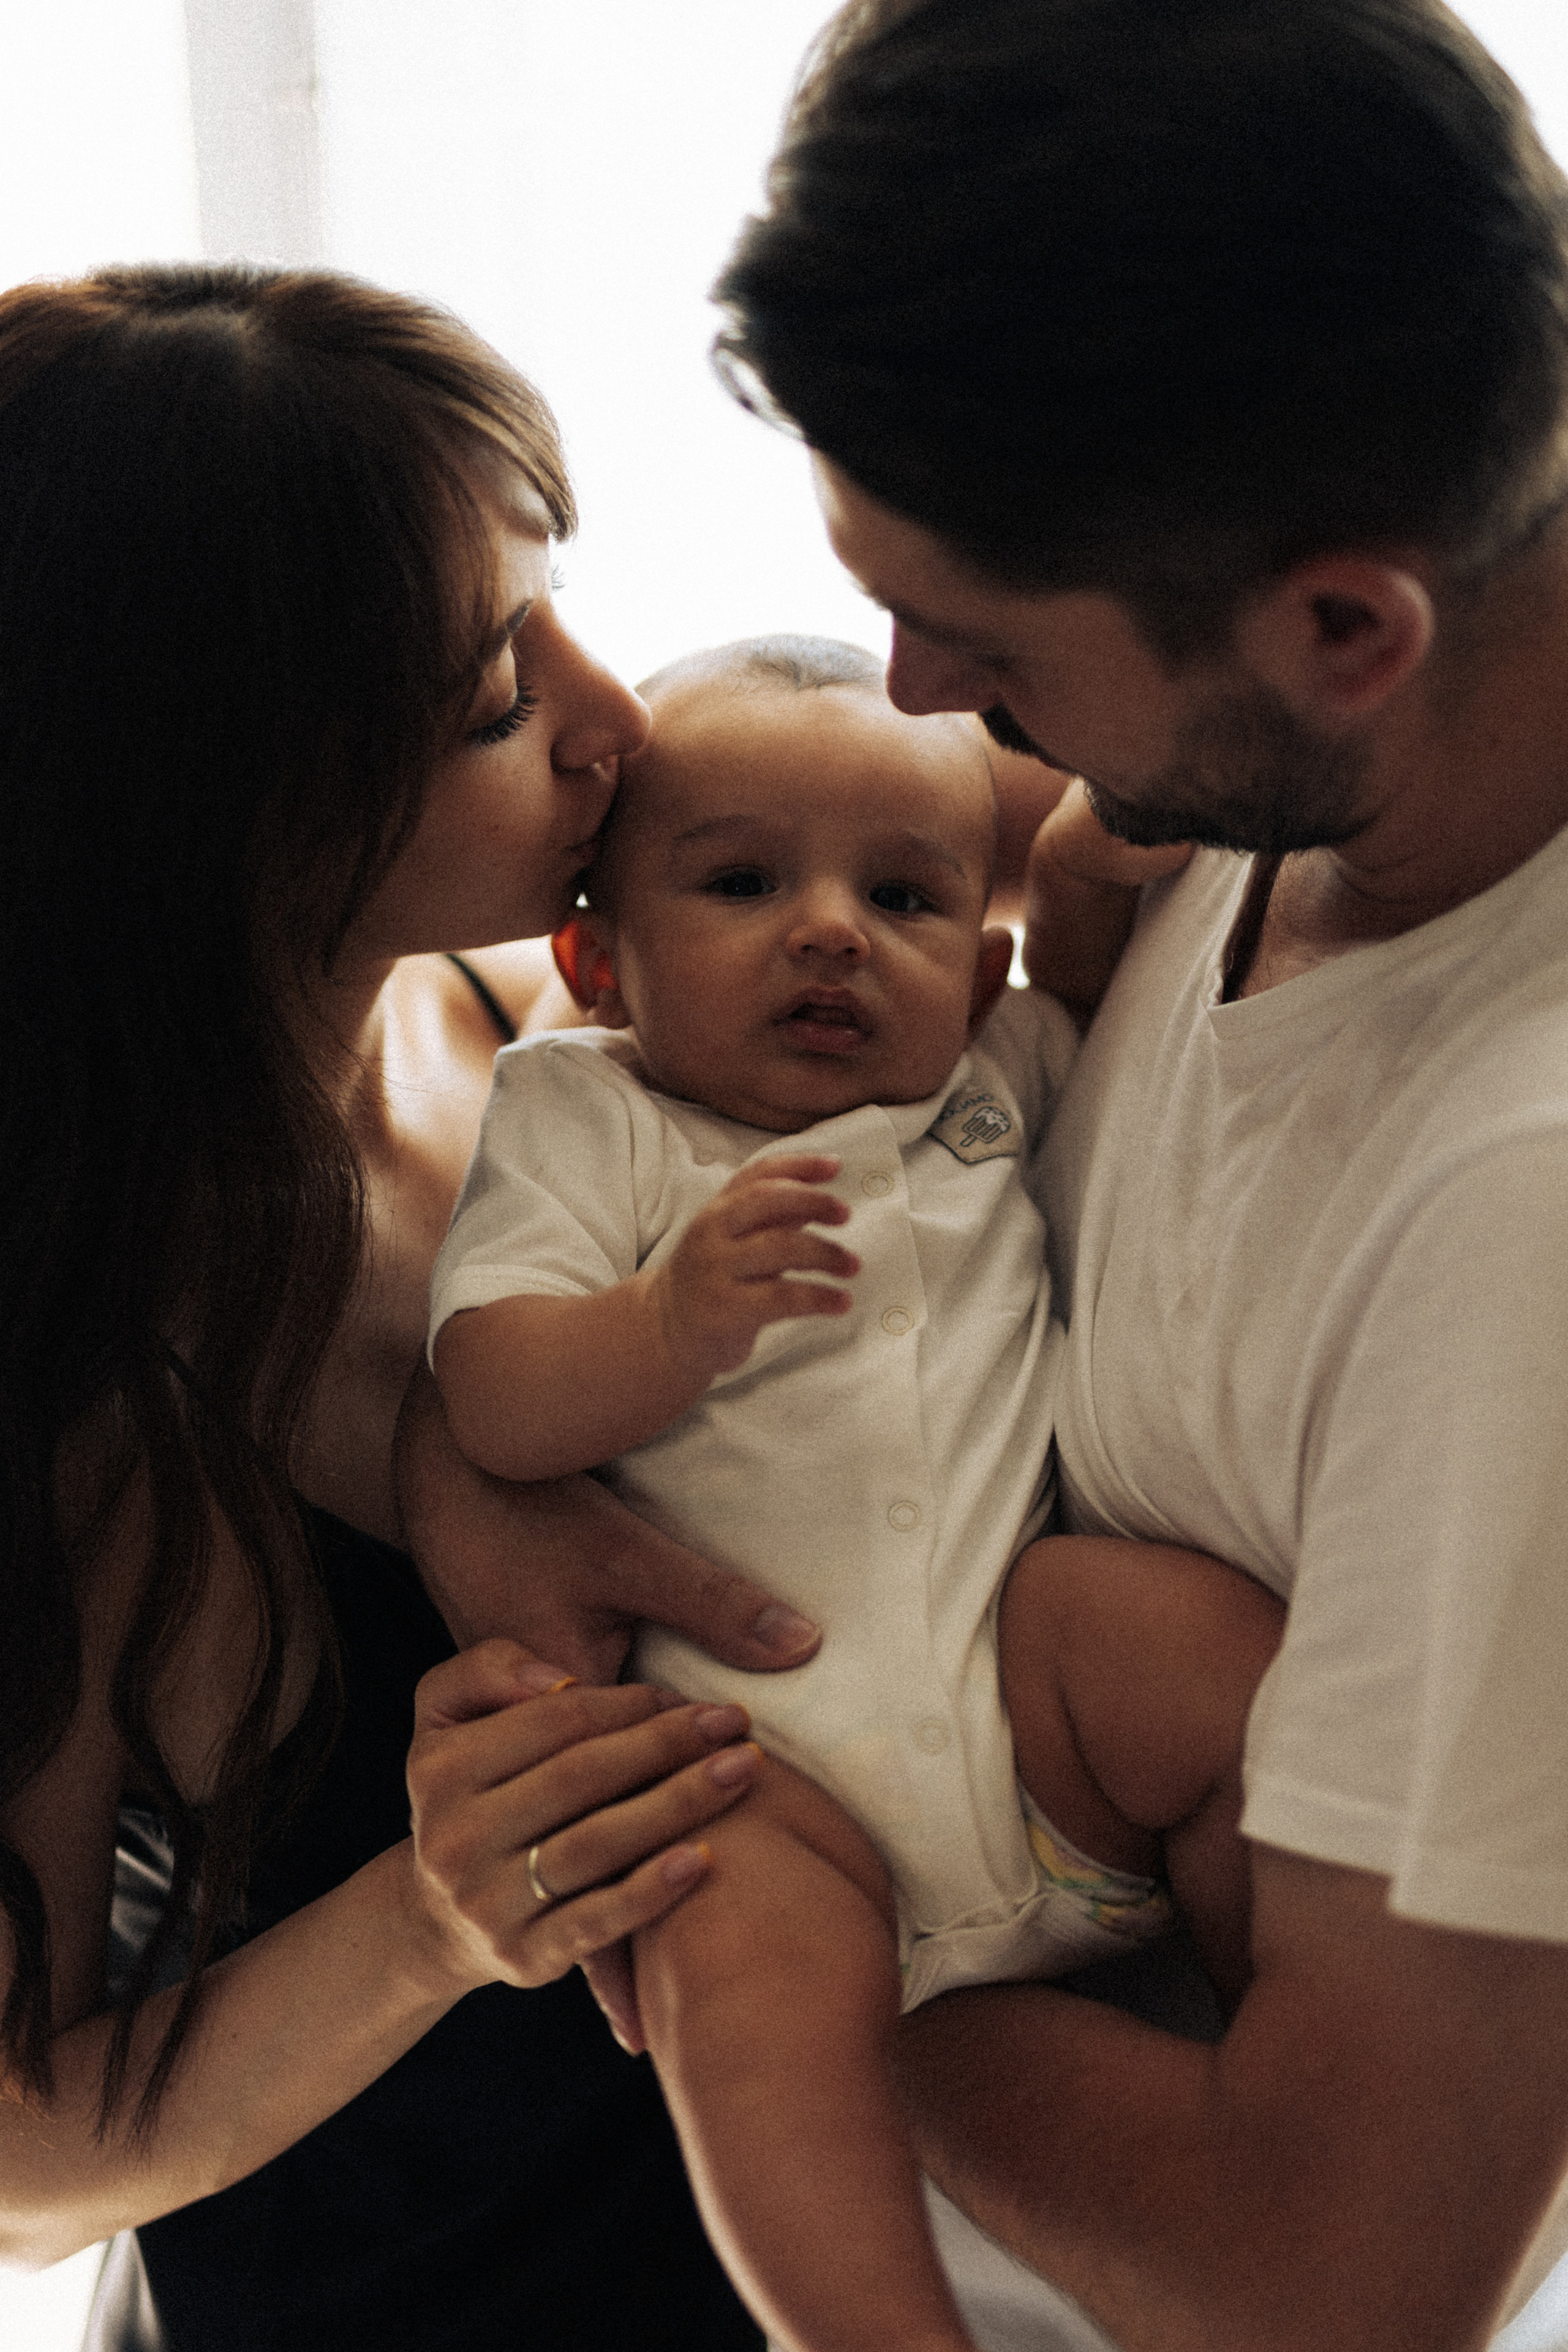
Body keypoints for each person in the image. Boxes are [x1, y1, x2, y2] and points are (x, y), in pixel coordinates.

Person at [682, 1, 1568, 2346]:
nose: (907, 690)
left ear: (1344, 629)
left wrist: (785, 1967)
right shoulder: (1239, 786)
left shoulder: (1528, 1214)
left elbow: (1337, 2283)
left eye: (978, 657)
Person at [0, 261, 828, 2352]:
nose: (609, 714)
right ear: (216, 801)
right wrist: (438, 1915)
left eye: (557, 604)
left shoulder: (514, 1021)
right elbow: (18, 2160)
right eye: (491, 698)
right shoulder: (95, 1380)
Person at [427, 635, 1284, 2351]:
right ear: (596, 959)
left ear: (974, 974)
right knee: (718, 1928)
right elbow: (496, 1396)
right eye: (742, 881)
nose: (828, 928)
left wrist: (1085, 867)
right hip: (786, 1796)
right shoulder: (589, 1115)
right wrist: (665, 1327)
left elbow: (1097, 978)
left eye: (901, 900)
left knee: (1200, 1644)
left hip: (1041, 1743)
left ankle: (1309, 2033)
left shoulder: (987, 1082)